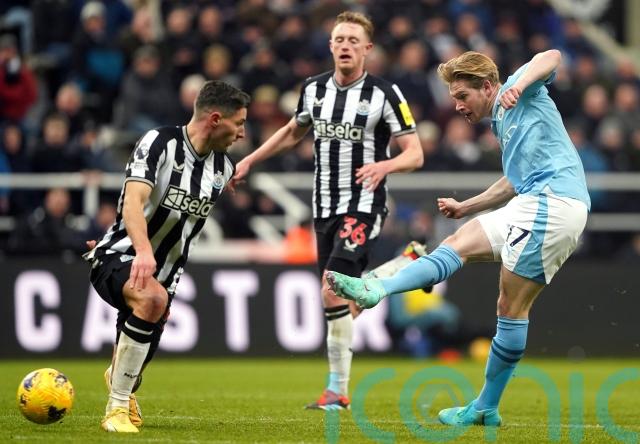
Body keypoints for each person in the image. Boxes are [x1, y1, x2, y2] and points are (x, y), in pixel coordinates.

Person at [327, 50, 590, 425]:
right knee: (457, 244)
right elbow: (513, 182)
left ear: (488, 86)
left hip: (555, 203)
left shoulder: (517, 88)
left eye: (463, 96)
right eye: (454, 98)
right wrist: (468, 206)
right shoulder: (500, 121)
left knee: (511, 308)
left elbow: (552, 56)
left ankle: (484, 408)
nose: (457, 106)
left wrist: (521, 85)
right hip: (533, 201)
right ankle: (375, 288)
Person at [232, 11, 423, 410]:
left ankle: (337, 391)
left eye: (354, 40)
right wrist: (249, 160)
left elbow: (415, 153)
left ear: (367, 48)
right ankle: (401, 267)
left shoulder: (385, 94)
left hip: (364, 204)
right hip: (323, 208)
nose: (346, 46)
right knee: (340, 301)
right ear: (331, 46)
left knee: (331, 289)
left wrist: (384, 166)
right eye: (340, 39)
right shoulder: (314, 89)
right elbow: (292, 131)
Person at [84, 80, 250, 433]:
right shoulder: (159, 143)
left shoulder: (222, 169)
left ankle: (120, 381)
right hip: (121, 256)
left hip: (164, 276)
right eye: (239, 123)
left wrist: (165, 279)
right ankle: (115, 411)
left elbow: (186, 227)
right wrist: (142, 250)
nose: (242, 133)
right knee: (152, 300)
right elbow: (133, 200)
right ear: (215, 119)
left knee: (136, 358)